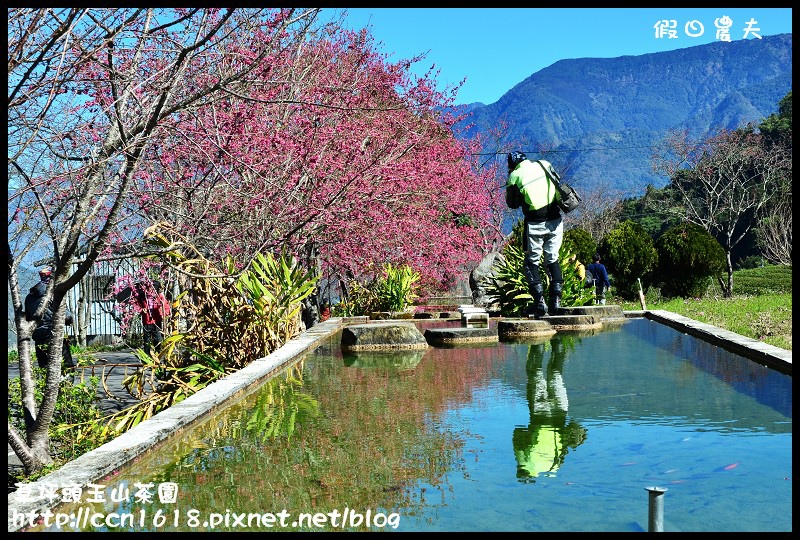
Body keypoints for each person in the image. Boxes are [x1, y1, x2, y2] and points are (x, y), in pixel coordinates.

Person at [512, 338, 587, 482]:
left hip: (561, 412)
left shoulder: (554, 468)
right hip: (539, 412)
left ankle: (559, 339)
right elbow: (517, 433)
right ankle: (538, 340)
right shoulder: (524, 462)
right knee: (535, 372)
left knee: (556, 373)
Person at [506, 151, 565, 318]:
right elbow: (557, 181)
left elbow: (512, 204)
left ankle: (539, 303)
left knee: (531, 262)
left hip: (535, 223)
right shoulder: (544, 164)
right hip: (555, 220)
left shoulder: (514, 176)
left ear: (511, 165)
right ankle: (556, 302)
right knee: (552, 259)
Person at [24, 266, 75, 373]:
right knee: (67, 370)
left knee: (45, 372)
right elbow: (67, 317)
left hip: (38, 340)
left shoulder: (29, 297)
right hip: (54, 337)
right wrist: (70, 320)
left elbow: (28, 319)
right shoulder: (54, 294)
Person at [134, 284, 171, 356]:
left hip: (157, 321)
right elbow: (137, 306)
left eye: (151, 288)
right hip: (146, 321)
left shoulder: (159, 296)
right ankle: (147, 357)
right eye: (147, 288)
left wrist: (164, 314)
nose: (149, 290)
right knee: (146, 341)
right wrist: (142, 310)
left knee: (158, 339)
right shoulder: (142, 297)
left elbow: (166, 306)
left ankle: (157, 356)